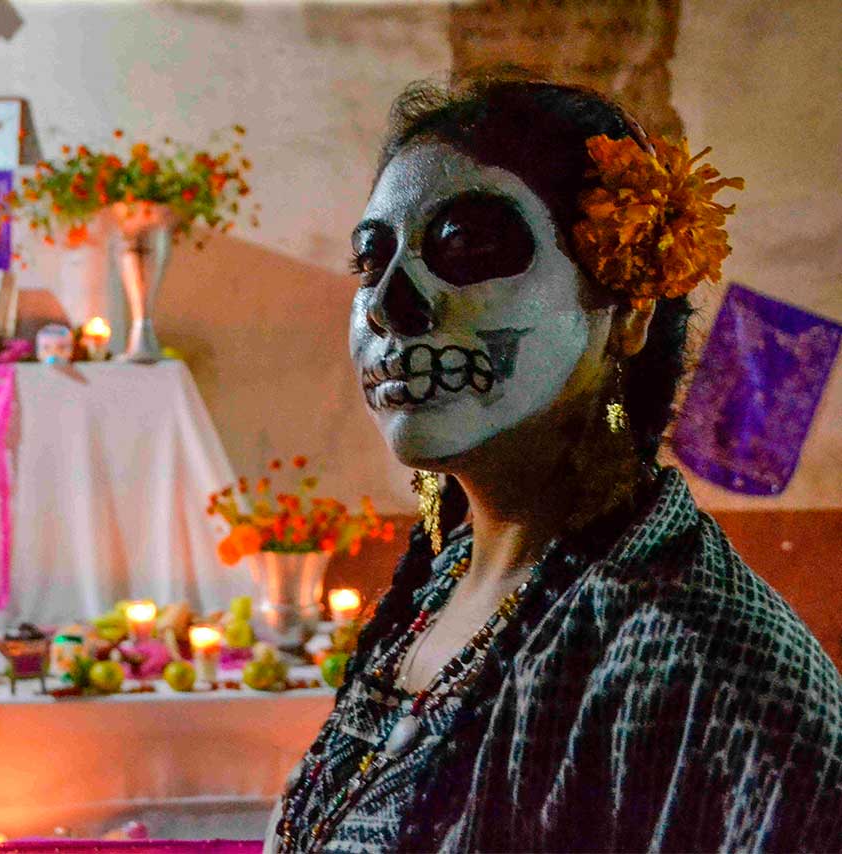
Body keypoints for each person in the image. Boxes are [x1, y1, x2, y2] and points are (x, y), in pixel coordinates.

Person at [268, 76, 842, 852]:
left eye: (466, 245)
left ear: (627, 312)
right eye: (371, 260)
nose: (387, 304)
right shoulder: (445, 582)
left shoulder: (717, 680)